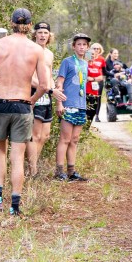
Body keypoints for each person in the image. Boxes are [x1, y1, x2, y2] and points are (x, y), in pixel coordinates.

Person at [0, 8, 50, 216]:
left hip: (0, 103)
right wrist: (31, 101)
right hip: (22, 104)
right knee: (18, 156)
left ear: (11, 23)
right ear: (30, 26)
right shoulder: (36, 49)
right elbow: (45, 85)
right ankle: (15, 205)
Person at [26, 22, 67, 178]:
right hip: (34, 93)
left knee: (45, 135)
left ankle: (33, 166)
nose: (43, 35)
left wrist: (56, 96)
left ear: (50, 36)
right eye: (40, 32)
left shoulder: (49, 54)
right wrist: (46, 88)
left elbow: (49, 76)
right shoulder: (30, 51)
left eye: (45, 33)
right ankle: (33, 171)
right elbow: (27, 77)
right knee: (34, 135)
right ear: (35, 34)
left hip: (47, 95)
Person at [55, 33, 92, 182]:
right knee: (65, 138)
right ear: (74, 46)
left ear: (87, 47)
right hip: (68, 104)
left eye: (84, 44)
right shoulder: (67, 62)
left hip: (81, 105)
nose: (82, 47)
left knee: (75, 139)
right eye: (79, 44)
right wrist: (59, 103)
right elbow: (60, 83)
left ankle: (71, 171)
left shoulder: (85, 63)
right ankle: (59, 171)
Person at [86, 42, 106, 123]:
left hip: (96, 86)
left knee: (96, 102)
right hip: (87, 88)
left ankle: (96, 116)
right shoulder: (85, 62)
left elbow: (102, 75)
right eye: (94, 48)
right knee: (87, 106)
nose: (96, 50)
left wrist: (93, 79)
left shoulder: (101, 60)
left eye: (97, 49)